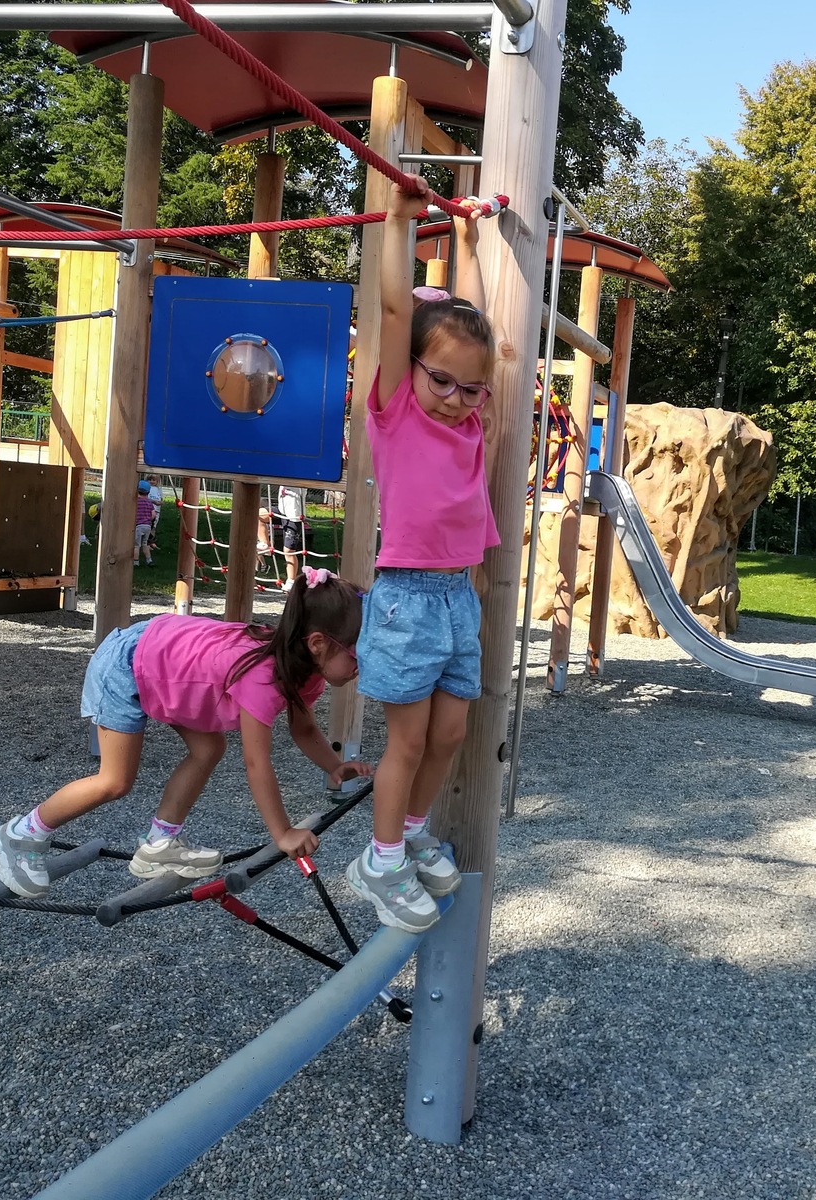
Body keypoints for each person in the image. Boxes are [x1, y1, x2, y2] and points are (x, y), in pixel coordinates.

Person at [0, 568, 371, 899]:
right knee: (114, 781)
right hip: (127, 663)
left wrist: (334, 766)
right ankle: (21, 833)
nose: (364, 664)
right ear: (317, 643)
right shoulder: (263, 677)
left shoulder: (305, 669)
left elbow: (304, 728)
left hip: (169, 664)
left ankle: (159, 844)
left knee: (208, 748)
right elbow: (256, 763)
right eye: (358, 654)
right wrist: (283, 832)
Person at [345, 181, 497, 933]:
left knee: (450, 734)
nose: (456, 398)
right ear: (410, 370)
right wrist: (401, 222)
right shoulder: (398, 409)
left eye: (472, 389)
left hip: (457, 598)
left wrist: (468, 238)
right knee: (406, 740)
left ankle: (406, 835)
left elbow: (478, 327)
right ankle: (378, 859)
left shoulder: (470, 426)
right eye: (442, 380)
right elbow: (396, 310)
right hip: (407, 596)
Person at [134, 481, 157, 567]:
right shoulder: (149, 502)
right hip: (147, 526)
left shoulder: (136, 502)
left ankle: (136, 562)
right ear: (148, 492)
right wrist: (148, 520)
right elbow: (153, 514)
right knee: (145, 544)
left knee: (136, 545)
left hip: (138, 526)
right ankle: (149, 560)